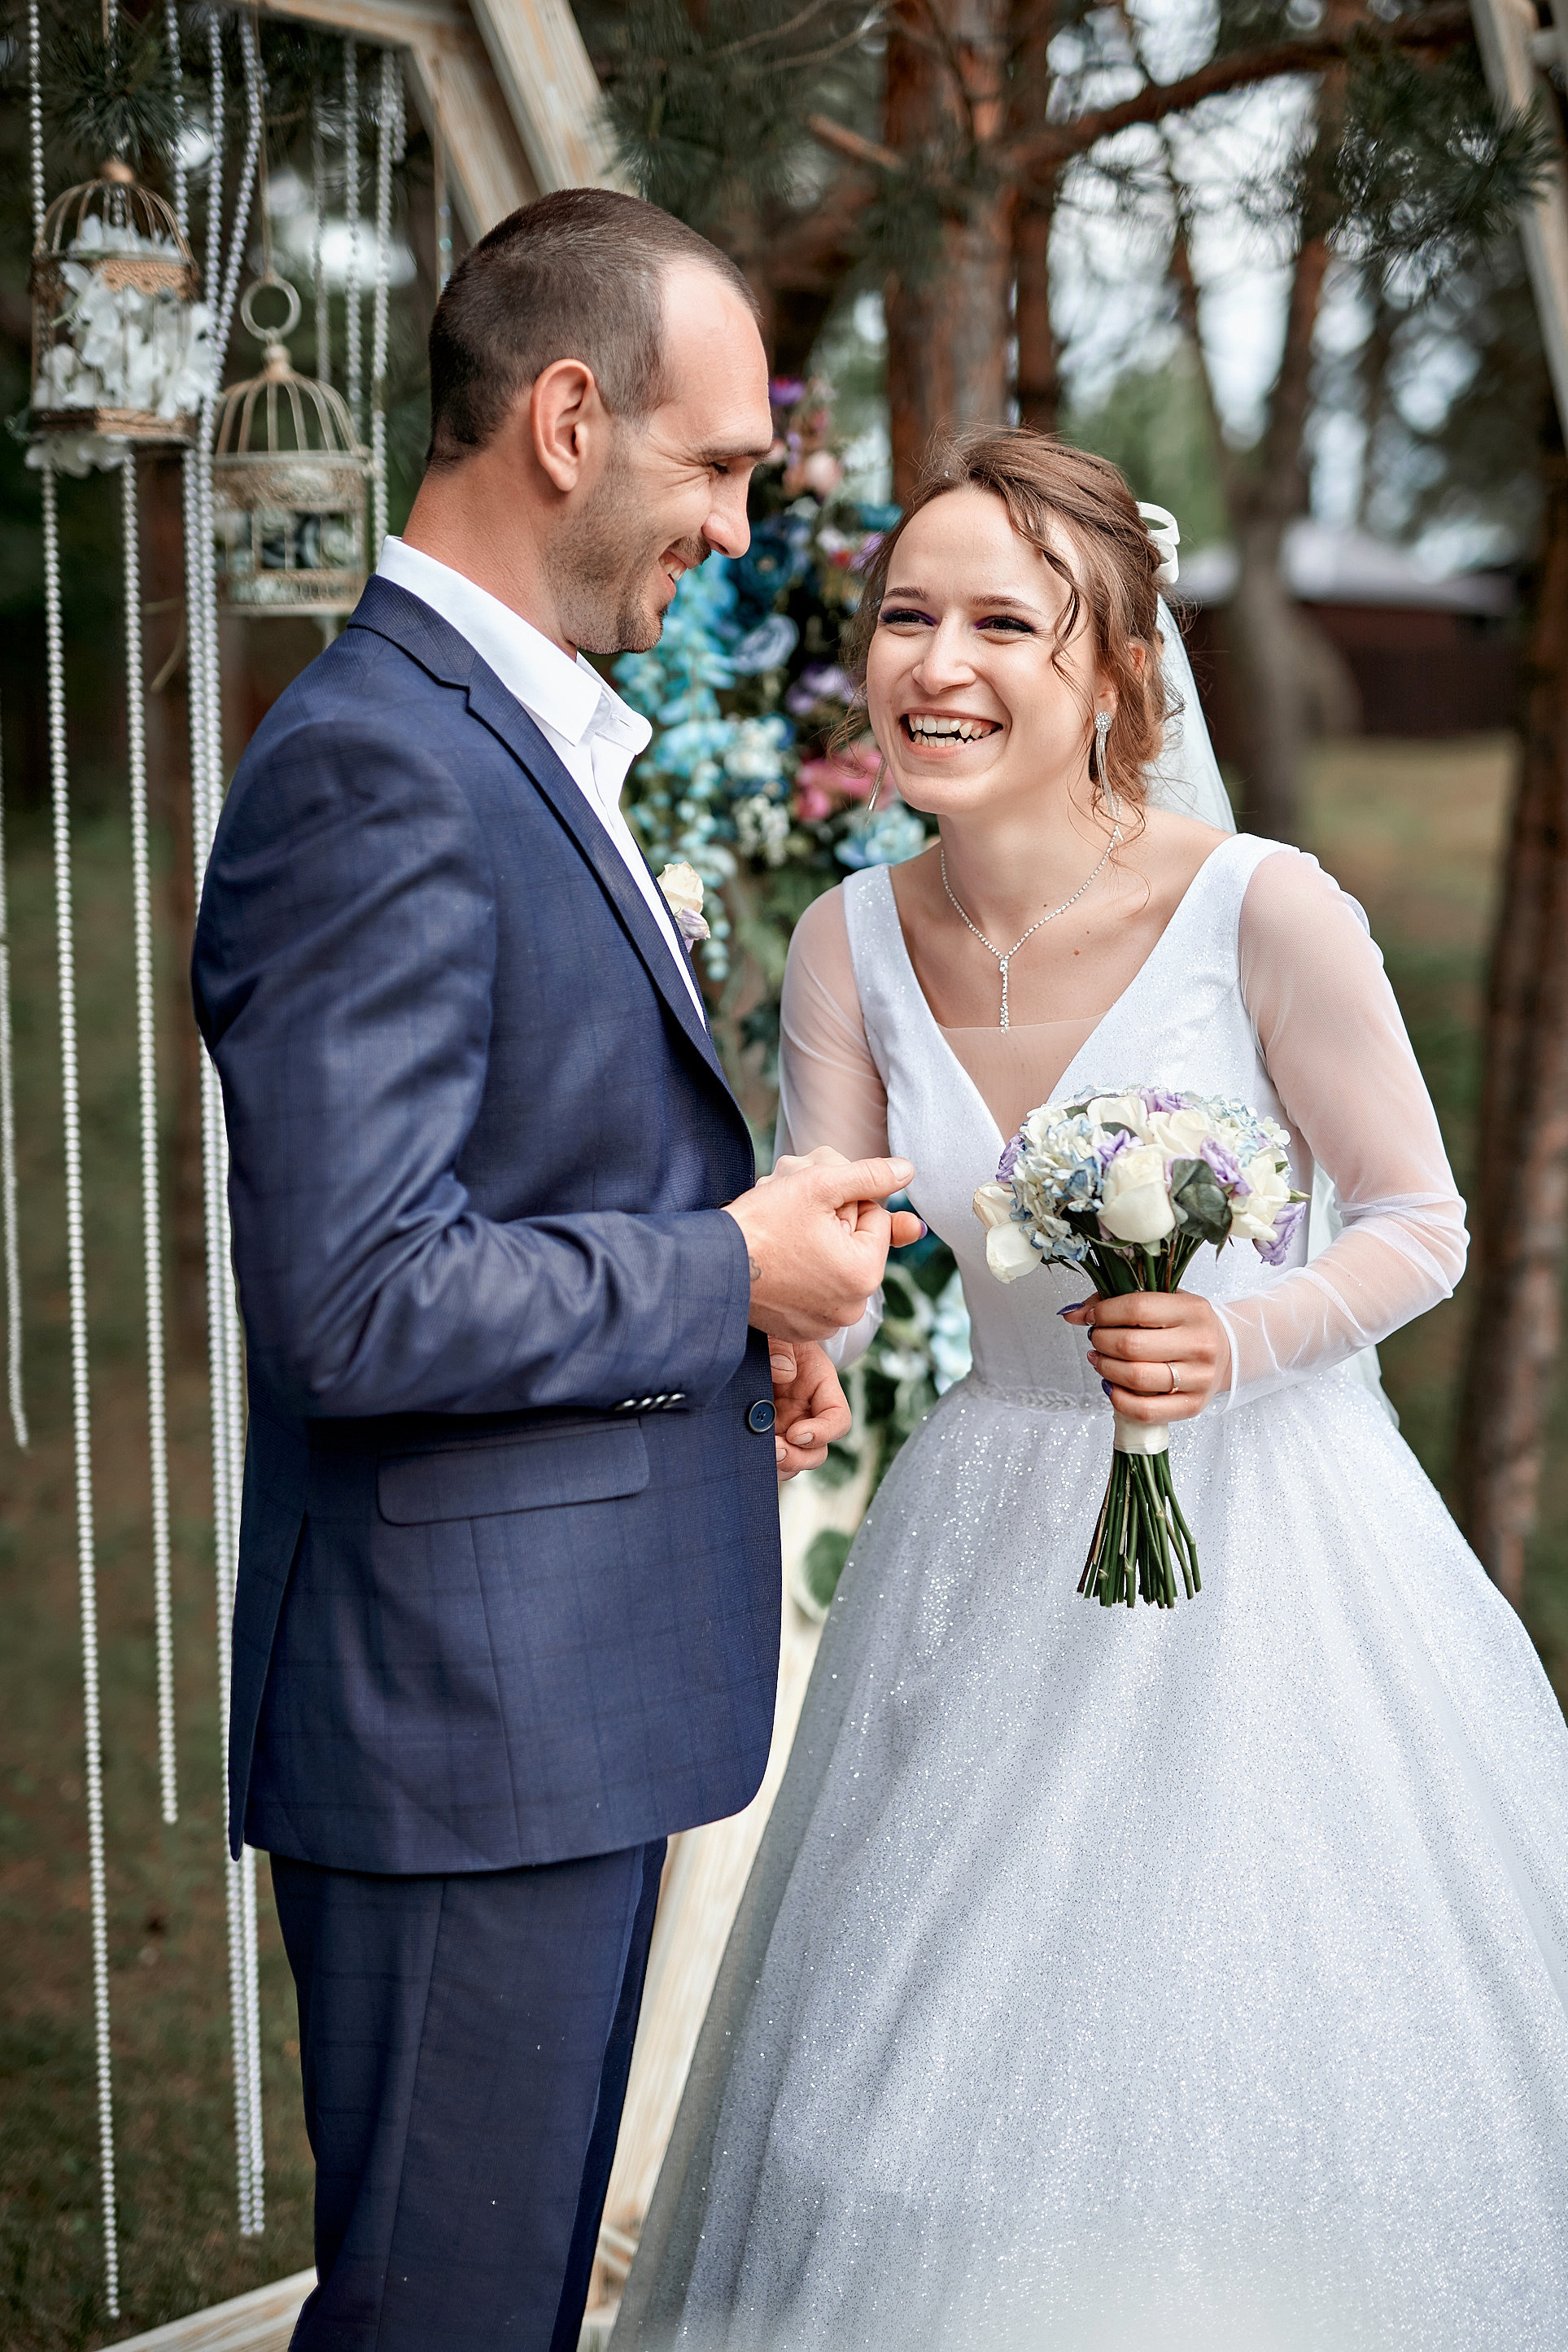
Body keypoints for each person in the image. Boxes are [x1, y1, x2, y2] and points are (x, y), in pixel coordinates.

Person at [614, 431, 1568, 2350]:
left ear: (1114, 669)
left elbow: (1418, 1217)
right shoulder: (849, 942)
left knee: (1262, 2067)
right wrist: (794, 1336)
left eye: (999, 623)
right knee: (909, 2096)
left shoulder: (1261, 908)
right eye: (904, 617)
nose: (933, 665)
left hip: (1273, 1544)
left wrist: (1244, 1333)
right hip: (992, 1531)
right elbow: (844, 1240)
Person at [190, 187, 919, 2352]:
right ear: (571, 418)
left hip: (537, 1712)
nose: (736, 520)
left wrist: (736, 1331)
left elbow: (522, 1176)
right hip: (460, 1734)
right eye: (715, 463)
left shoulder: (503, 729)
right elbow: (359, 1298)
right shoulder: (379, 765)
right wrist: (720, 1267)